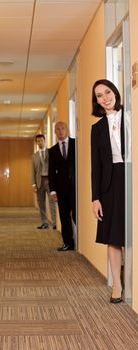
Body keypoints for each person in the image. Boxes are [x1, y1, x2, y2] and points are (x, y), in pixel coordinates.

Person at [91, 79, 124, 304]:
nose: (105, 97)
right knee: (113, 237)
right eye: (100, 96)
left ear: (115, 92)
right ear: (97, 102)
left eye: (107, 92)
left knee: (130, 231)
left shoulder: (131, 116)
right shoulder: (97, 128)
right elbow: (96, 166)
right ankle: (118, 284)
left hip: (130, 176)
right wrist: (96, 198)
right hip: (110, 184)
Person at [49, 122, 76, 251]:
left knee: (76, 215)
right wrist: (52, 190)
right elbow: (51, 172)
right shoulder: (53, 150)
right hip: (61, 189)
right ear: (55, 132)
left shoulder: (76, 144)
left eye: (62, 128)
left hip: (75, 188)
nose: (60, 131)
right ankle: (68, 243)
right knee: (64, 217)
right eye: (57, 129)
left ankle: (79, 240)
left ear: (68, 130)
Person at [32, 134, 57, 229]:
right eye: (38, 141)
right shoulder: (34, 156)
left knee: (52, 202)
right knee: (41, 203)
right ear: (36, 143)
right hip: (39, 181)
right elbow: (33, 171)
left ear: (44, 141)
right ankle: (44, 223)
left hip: (50, 180)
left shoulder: (50, 152)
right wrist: (33, 184)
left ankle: (54, 223)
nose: (39, 142)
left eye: (41, 140)